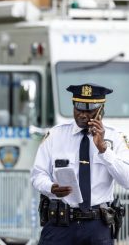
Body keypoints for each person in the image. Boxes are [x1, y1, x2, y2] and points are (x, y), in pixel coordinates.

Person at [31, 83, 129, 244]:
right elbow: (37, 175)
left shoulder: (116, 137)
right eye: (79, 108)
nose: (83, 114)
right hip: (59, 224)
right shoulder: (56, 135)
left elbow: (127, 180)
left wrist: (104, 150)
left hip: (97, 226)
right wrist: (50, 187)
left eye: (89, 110)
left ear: (101, 110)